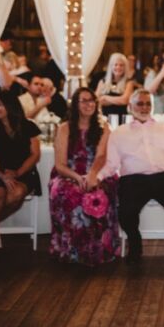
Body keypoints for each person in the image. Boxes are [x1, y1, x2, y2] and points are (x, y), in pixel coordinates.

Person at [89, 87, 164, 273]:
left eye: (147, 104)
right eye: (140, 104)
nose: (144, 108)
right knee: (126, 213)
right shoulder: (119, 133)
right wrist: (97, 177)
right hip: (133, 180)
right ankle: (135, 245)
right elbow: (111, 163)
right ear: (130, 106)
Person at [48, 87, 117, 266]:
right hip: (69, 172)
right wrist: (78, 178)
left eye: (91, 100)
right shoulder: (64, 128)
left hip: (96, 171)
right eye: (84, 101)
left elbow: (101, 156)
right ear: (76, 105)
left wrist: (92, 175)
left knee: (100, 193)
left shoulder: (104, 127)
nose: (89, 104)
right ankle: (70, 250)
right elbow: (60, 164)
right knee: (66, 192)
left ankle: (98, 250)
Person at [0, 87, 41, 220]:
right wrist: (4, 176)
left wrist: (17, 173)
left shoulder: (28, 126)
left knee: (16, 193)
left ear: (10, 105)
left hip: (24, 171)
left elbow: (35, 155)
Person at [94, 51, 136, 120]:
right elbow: (96, 100)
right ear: (111, 66)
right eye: (115, 65)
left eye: (121, 65)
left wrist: (105, 97)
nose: (118, 67)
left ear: (125, 67)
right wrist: (117, 100)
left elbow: (124, 100)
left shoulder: (129, 82)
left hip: (121, 118)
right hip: (104, 118)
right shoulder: (102, 81)